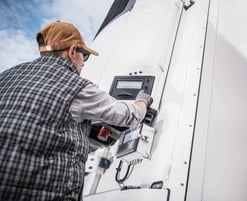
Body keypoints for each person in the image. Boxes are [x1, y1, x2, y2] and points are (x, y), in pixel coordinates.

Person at [0, 21, 152, 200]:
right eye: (84, 56)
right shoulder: (76, 86)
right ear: (72, 52)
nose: (84, 63)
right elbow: (129, 115)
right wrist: (143, 100)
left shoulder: (7, 76)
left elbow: (33, 131)